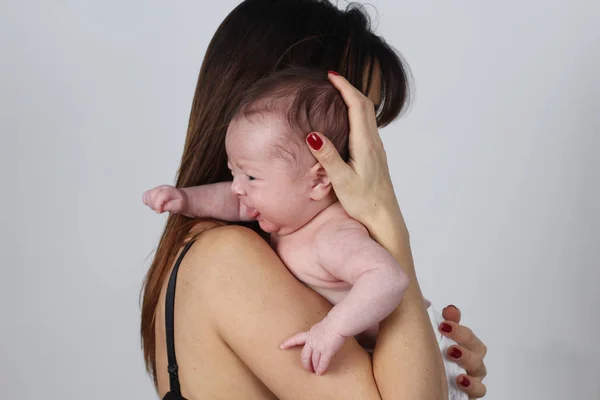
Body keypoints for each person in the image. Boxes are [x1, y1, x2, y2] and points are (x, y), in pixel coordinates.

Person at [140, 1, 488, 399]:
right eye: (357, 130)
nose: (367, 158)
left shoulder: (262, 249)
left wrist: (428, 359)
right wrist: (385, 217)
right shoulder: (226, 258)